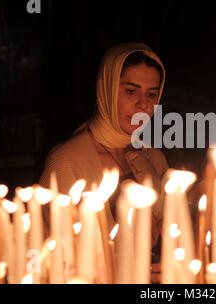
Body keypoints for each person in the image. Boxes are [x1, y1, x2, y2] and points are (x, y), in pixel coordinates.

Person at [39, 43, 168, 282]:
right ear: (107, 88)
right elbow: (57, 260)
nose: (143, 105)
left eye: (152, 94)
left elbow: (173, 238)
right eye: (131, 91)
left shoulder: (155, 159)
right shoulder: (67, 161)